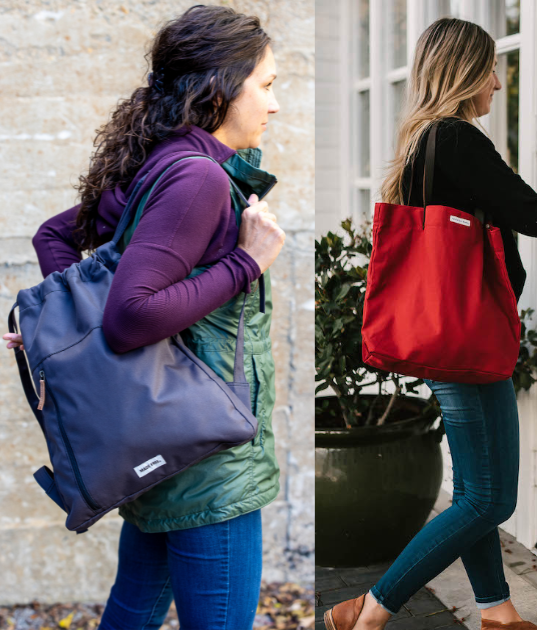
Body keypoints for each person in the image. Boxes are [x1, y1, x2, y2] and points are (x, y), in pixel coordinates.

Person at [3, 5, 286, 627]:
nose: (273, 104)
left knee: (130, 615)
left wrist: (63, 330)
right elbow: (130, 317)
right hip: (209, 465)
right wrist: (248, 262)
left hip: (163, 448)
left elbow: (56, 237)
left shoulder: (158, 161)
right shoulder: (199, 180)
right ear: (218, 87)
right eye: (265, 85)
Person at [322, 17, 537, 630]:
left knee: (472, 494)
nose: (496, 80)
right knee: (492, 499)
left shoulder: (421, 142)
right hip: (468, 336)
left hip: (447, 333)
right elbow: (533, 214)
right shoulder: (456, 140)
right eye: (489, 68)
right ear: (464, 72)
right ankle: (372, 608)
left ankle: (498, 612)